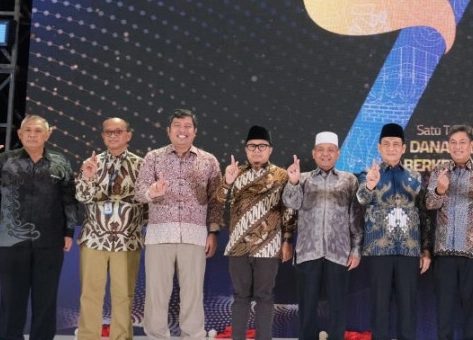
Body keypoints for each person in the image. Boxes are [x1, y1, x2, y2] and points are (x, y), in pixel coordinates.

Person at [0, 115, 79, 340]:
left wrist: (68, 232)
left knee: (46, 298)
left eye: (38, 131)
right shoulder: (6, 159)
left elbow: (69, 199)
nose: (32, 134)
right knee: (12, 298)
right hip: (12, 240)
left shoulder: (60, 162)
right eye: (27, 130)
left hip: (50, 240)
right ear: (20, 134)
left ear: (47, 134)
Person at [135, 108, 225, 340]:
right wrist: (152, 192)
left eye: (187, 126)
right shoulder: (153, 157)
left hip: (195, 235)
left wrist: (213, 232)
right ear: (168, 130)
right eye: (177, 125)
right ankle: (156, 336)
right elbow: (139, 191)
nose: (182, 130)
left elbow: (216, 200)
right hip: (160, 234)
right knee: (156, 293)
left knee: (193, 293)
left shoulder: (208, 161)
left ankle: (193, 336)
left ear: (195, 131)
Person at [213, 125, 293, 340]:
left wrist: (287, 240)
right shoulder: (236, 173)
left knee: (265, 296)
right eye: (252, 146)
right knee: (240, 296)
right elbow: (218, 202)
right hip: (238, 246)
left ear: (270, 149)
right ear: (245, 149)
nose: (257, 150)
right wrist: (227, 182)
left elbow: (289, 210)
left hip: (268, 246)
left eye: (262, 146)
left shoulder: (281, 175)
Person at [425, 125, 473, 340]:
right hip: (444, 252)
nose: (457, 147)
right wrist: (440, 189)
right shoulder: (439, 171)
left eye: (462, 142)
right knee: (444, 310)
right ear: (448, 146)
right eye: (453, 143)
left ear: (471, 146)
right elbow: (429, 205)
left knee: (472, 310)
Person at [283, 131, 363, 340]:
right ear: (314, 153)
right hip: (308, 252)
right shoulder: (302, 179)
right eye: (321, 150)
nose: (325, 154)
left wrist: (356, 250)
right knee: (307, 308)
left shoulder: (349, 180)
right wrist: (292, 182)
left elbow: (355, 217)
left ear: (337, 153)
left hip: (339, 253)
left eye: (330, 150)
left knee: (338, 307)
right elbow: (290, 204)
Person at [357, 123, 431, 340]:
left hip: (409, 250)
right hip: (378, 250)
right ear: (379, 147)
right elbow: (361, 200)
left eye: (396, 144)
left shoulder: (415, 177)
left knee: (408, 308)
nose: (391, 148)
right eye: (387, 144)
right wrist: (370, 185)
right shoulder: (367, 174)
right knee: (379, 307)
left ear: (403, 148)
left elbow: (424, 214)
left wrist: (426, 249)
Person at [75, 118, 146, 340]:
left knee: (124, 295)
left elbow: (147, 204)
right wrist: (87, 177)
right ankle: (87, 337)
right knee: (90, 294)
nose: (113, 135)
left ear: (128, 135)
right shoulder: (91, 162)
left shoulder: (141, 164)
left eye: (118, 131)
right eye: (108, 132)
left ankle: (121, 337)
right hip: (94, 238)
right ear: (103, 136)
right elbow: (82, 197)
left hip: (127, 240)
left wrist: (134, 226)